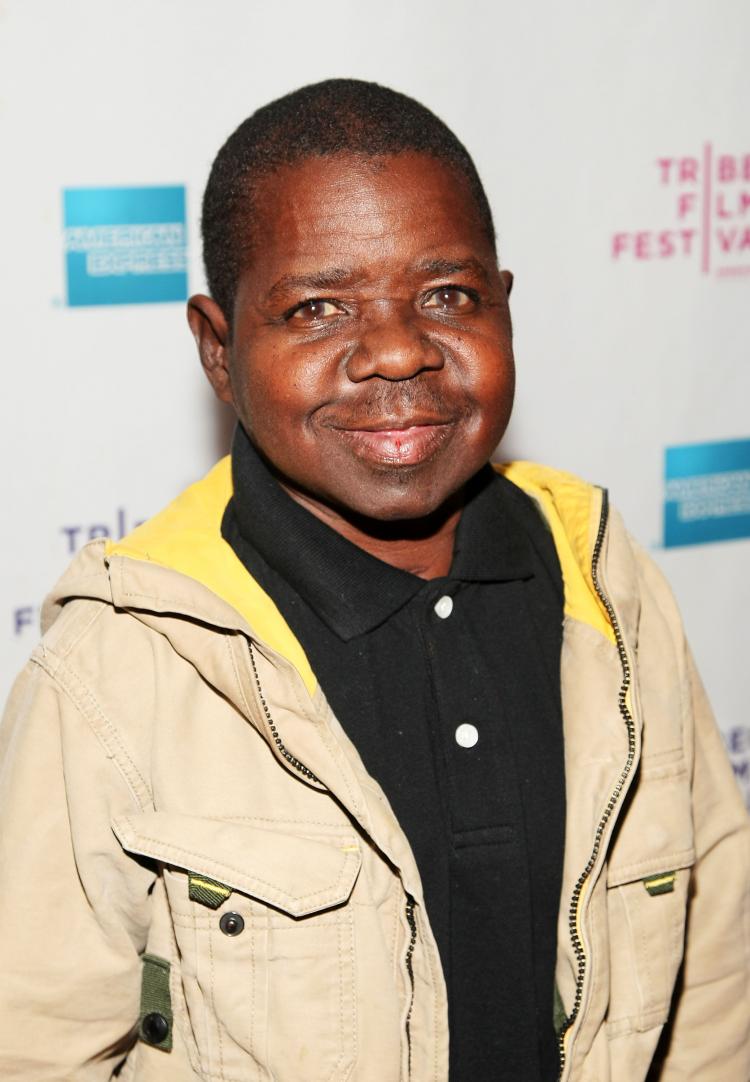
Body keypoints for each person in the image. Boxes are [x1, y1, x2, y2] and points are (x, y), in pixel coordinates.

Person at [0, 79, 747, 1082]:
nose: (398, 349)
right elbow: (35, 1045)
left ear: (506, 307)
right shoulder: (127, 662)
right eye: (318, 306)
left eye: (447, 295)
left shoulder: (605, 580)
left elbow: (713, 985)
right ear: (220, 351)